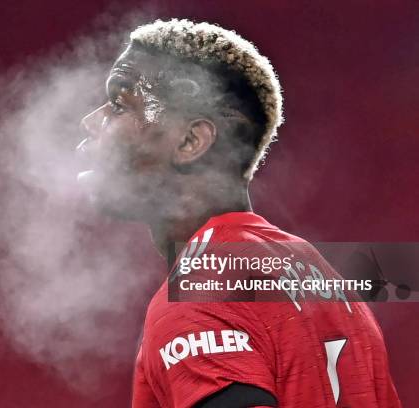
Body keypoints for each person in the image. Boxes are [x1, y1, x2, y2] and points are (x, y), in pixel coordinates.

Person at [76, 19, 400, 407]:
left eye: (118, 104)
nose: (90, 121)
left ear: (191, 141)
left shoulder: (198, 295)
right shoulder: (326, 278)